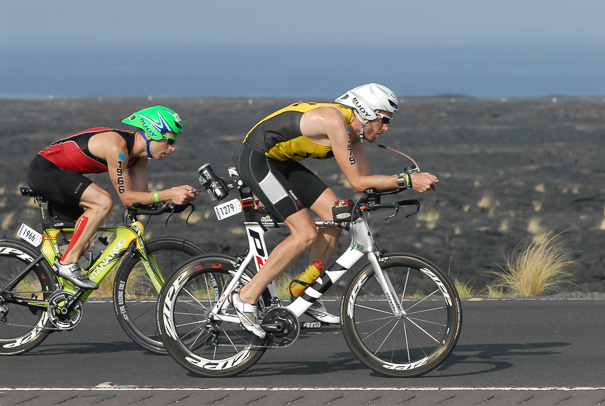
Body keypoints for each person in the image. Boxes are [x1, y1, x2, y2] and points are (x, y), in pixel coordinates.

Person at [234, 83, 439, 337]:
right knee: (304, 234)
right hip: (258, 160)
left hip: (281, 163)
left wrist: (396, 186)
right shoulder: (334, 122)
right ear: (365, 111)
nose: (386, 128)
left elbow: (366, 179)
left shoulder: (355, 132)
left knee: (336, 215)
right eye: (384, 120)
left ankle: (304, 291)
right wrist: (407, 181)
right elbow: (357, 183)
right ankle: (247, 297)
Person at [26, 106, 198, 290]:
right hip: (45, 170)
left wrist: (173, 201)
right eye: (170, 140)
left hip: (65, 177)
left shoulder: (139, 158)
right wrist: (170, 193)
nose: (172, 148)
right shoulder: (117, 147)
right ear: (152, 132)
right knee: (102, 202)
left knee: (80, 246)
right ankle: (67, 264)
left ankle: (47, 302)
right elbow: (127, 199)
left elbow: (141, 198)